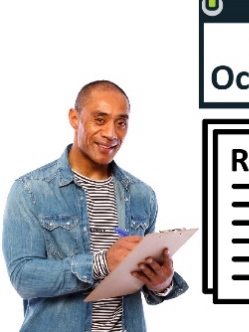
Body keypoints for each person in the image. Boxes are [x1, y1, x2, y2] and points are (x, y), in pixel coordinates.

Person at [2, 80, 188, 331]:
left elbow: (143, 278)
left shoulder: (142, 195)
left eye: (121, 123)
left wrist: (161, 284)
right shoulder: (31, 190)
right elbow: (24, 278)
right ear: (74, 118)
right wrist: (101, 264)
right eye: (100, 120)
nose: (112, 134)